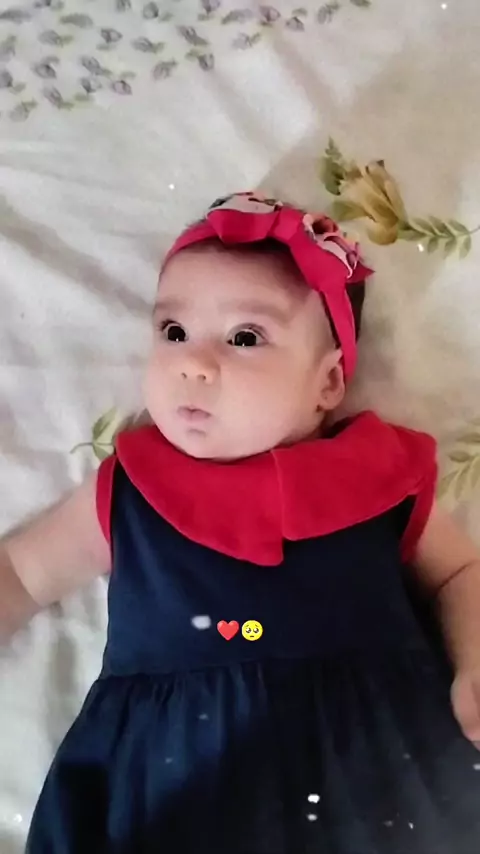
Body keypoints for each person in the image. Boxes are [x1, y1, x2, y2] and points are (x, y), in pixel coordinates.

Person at [1, 191, 480, 854]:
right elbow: (21, 572)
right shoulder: (133, 488)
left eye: (245, 338)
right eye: (174, 332)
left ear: (328, 383)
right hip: (174, 774)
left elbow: (459, 572)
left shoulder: (379, 476)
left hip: (378, 768)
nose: (193, 363)